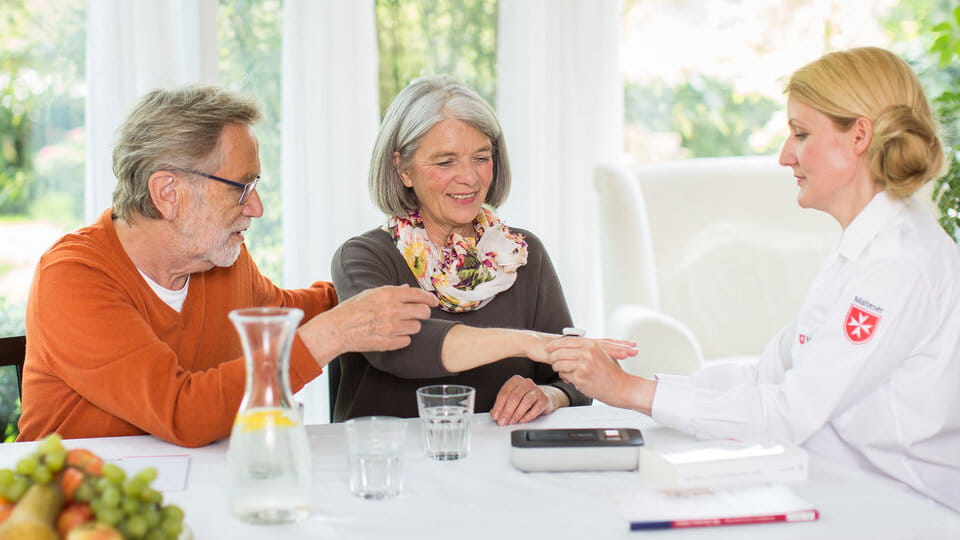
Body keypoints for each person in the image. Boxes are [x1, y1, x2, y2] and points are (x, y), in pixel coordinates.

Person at [543, 47, 960, 512]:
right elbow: (764, 376)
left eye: (801, 134)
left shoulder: (899, 264)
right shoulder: (861, 250)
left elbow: (786, 415)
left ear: (859, 135)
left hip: (905, 508)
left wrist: (628, 391)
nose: (785, 156)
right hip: (839, 487)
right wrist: (631, 385)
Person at [17, 85, 438, 448]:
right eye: (243, 187)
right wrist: (336, 332)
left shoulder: (218, 259)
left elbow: (282, 315)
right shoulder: (73, 278)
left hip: (185, 492)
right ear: (168, 192)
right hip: (70, 509)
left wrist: (376, 285)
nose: (256, 207)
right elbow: (183, 411)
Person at [331, 75, 636, 424]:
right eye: (445, 162)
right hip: (393, 465)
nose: (470, 178)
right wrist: (531, 343)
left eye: (481, 157)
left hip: (501, 463)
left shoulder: (523, 254)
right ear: (403, 169)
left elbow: (571, 377)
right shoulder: (364, 257)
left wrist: (550, 394)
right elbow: (405, 346)